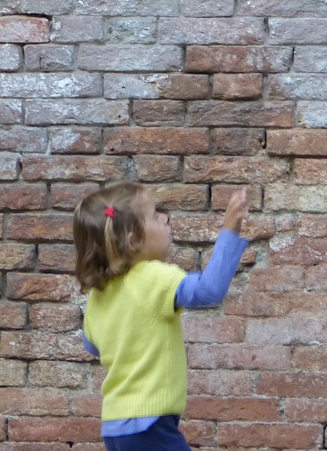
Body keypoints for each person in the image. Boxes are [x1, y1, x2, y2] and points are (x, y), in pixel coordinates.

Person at [74, 182, 250, 451]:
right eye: (156, 216)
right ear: (134, 241)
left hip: (115, 427)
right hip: (150, 425)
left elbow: (93, 346)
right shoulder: (151, 277)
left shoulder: (98, 295)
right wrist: (229, 231)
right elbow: (209, 291)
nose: (165, 218)